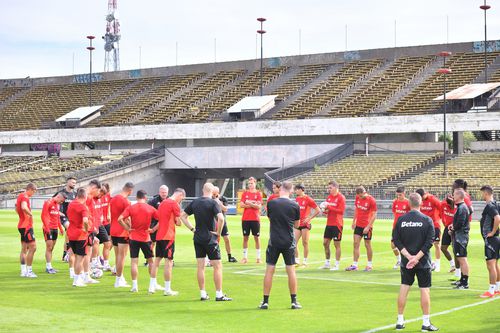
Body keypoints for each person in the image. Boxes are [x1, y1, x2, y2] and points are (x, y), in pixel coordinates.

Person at [392, 192, 438, 332]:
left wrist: (408, 256)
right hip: (423, 261)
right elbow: (430, 241)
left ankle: (400, 321)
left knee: (404, 287)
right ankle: (425, 323)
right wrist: (416, 258)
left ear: (408, 204)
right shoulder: (427, 220)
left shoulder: (401, 220)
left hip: (406, 261)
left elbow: (396, 240)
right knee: (424, 290)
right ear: (421, 203)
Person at [180, 182, 232, 301]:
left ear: (203, 190)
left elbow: (183, 216)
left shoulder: (195, 202)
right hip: (210, 238)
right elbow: (221, 218)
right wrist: (218, 232)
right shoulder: (213, 202)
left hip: (198, 237)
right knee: (217, 266)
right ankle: (219, 294)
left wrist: (192, 229)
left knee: (200, 266)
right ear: (212, 191)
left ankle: (203, 293)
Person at [260, 181, 301, 310]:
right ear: (291, 190)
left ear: (281, 189)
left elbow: (270, 218)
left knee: (269, 270)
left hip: (274, 240)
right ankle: (294, 301)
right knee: (291, 271)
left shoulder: (271, 203)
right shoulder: (295, 205)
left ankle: (265, 301)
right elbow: (297, 225)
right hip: (288, 241)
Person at [118, 190, 160, 293]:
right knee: (151, 261)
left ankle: (134, 286)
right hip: (146, 238)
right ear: (145, 198)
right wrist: (153, 229)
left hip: (133, 237)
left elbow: (120, 219)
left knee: (134, 262)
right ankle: (152, 285)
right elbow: (162, 219)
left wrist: (127, 229)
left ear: (136, 197)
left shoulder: (131, 207)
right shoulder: (150, 208)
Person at [153, 188, 185, 296]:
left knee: (157, 260)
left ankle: (151, 286)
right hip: (168, 236)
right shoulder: (174, 204)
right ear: (180, 195)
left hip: (159, 235)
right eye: (182, 198)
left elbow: (160, 219)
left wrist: (153, 230)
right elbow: (179, 222)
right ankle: (167, 289)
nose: (181, 200)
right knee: (169, 262)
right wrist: (178, 220)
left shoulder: (162, 203)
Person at [346, 186, 377, 271]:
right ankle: (355, 265)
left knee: (367, 245)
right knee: (355, 243)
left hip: (367, 226)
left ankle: (369, 265)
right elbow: (357, 209)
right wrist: (353, 221)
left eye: (361, 195)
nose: (359, 197)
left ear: (364, 193)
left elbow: (374, 215)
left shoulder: (371, 200)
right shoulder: (358, 198)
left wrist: (368, 226)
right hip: (358, 225)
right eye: (358, 196)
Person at [110, 182, 134, 288]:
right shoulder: (126, 202)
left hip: (113, 230)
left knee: (117, 256)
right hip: (122, 231)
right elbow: (127, 218)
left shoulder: (114, 199)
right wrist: (130, 228)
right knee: (122, 256)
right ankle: (118, 280)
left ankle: (121, 277)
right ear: (130, 191)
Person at [449, 179, 474, 280]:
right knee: (460, 258)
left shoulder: (462, 207)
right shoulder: (460, 207)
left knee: (462, 259)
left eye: (454, 194)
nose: (453, 196)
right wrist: (453, 226)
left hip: (461, 236)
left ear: (459, 196)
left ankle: (465, 281)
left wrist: (453, 228)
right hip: (459, 236)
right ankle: (462, 280)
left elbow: (460, 223)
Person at [478, 185, 500, 298]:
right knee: (495, 264)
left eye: (482, 193)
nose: (482, 196)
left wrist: (492, 232)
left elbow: (497, 218)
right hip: (495, 239)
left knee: (490, 265)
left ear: (486, 193)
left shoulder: (490, 206)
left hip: (491, 240)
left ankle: (491, 291)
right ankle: (497, 288)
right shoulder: (496, 204)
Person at [319, 181, 345, 271]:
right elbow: (328, 210)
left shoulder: (341, 197)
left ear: (335, 188)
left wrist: (329, 207)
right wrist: (324, 211)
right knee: (325, 243)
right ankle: (327, 263)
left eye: (330, 188)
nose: (328, 189)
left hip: (337, 224)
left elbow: (341, 211)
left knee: (336, 244)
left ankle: (337, 265)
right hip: (329, 223)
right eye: (328, 188)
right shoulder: (329, 197)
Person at [66, 187, 90, 287]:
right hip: (80, 235)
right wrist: (86, 229)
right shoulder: (83, 207)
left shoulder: (71, 204)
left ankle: (77, 278)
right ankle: (76, 280)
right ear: (85, 196)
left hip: (71, 233)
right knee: (80, 258)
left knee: (76, 257)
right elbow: (85, 220)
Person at [416, 188, 442, 272]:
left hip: (435, 225)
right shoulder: (419, 201)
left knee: (436, 244)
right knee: (423, 245)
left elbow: (441, 208)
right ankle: (428, 263)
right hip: (423, 225)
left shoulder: (433, 199)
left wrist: (438, 218)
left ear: (424, 194)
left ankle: (437, 264)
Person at [294, 183, 320, 267]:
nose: (296, 191)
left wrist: (310, 218)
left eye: (297, 189)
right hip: (298, 223)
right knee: (294, 242)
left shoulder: (308, 199)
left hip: (305, 224)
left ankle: (305, 261)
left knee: (305, 243)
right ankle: (296, 260)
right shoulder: (297, 198)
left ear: (302, 189)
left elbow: (317, 210)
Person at [41, 192, 66, 274]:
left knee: (51, 248)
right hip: (48, 228)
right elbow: (43, 215)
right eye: (61, 201)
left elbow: (57, 217)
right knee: (49, 247)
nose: (61, 203)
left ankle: (50, 266)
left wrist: (60, 228)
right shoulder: (48, 202)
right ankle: (48, 267)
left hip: (55, 228)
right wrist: (47, 227)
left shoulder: (57, 205)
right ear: (58, 197)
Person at [16, 183, 38, 278]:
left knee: (24, 249)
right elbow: (23, 207)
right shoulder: (25, 197)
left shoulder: (20, 195)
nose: (33, 193)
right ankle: (29, 271)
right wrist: (30, 214)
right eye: (34, 191)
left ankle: (23, 271)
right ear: (30, 189)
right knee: (33, 248)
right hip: (26, 226)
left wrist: (22, 216)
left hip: (21, 225)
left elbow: (16, 208)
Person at [240, 177, 263, 264]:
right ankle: (245, 258)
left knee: (256, 238)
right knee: (245, 238)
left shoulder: (259, 194)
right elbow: (241, 205)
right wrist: (253, 204)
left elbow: (259, 206)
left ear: (255, 183)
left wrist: (249, 203)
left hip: (255, 219)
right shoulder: (244, 193)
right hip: (245, 219)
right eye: (249, 183)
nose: (250, 185)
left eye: (252, 183)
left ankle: (258, 258)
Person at [213, 186, 237, 263]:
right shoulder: (210, 199)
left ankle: (230, 256)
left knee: (226, 239)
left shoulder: (223, 199)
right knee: (214, 240)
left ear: (217, 192)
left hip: (222, 222)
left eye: (214, 193)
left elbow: (225, 209)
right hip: (213, 222)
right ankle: (211, 257)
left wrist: (218, 202)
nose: (213, 195)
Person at [147, 185, 169, 264]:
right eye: (162, 192)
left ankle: (170, 259)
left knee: (167, 241)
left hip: (166, 225)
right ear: (159, 192)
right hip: (154, 223)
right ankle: (149, 259)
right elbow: (148, 212)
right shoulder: (153, 201)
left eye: (165, 192)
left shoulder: (170, 200)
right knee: (152, 242)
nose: (164, 194)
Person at [391, 187, 410, 269]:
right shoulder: (395, 202)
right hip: (396, 227)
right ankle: (399, 260)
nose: (399, 196)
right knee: (393, 245)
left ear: (404, 193)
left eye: (400, 195)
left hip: (405, 227)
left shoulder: (408, 202)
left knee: (406, 245)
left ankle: (407, 261)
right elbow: (394, 212)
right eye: (397, 195)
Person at [94, 186, 112, 271]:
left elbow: (101, 209)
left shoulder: (100, 199)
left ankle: (105, 263)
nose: (101, 196)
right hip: (93, 224)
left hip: (100, 223)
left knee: (107, 243)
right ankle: (95, 261)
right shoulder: (90, 199)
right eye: (101, 194)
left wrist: (102, 216)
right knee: (95, 243)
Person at [60, 177, 77, 263]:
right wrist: (58, 212)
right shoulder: (61, 192)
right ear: (68, 182)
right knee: (69, 229)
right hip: (63, 216)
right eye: (72, 182)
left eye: (75, 183)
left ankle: (65, 253)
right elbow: (53, 201)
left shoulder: (75, 194)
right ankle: (68, 252)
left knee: (69, 233)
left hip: (72, 217)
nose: (74, 184)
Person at [440, 194, 457, 273]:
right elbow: (441, 213)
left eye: (452, 203)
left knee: (456, 250)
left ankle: (458, 270)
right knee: (443, 248)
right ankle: (452, 264)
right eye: (449, 204)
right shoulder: (443, 204)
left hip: (456, 229)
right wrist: (444, 223)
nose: (451, 205)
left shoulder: (458, 207)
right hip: (447, 228)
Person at [99, 183, 112, 271]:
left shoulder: (108, 195)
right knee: (96, 242)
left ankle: (103, 259)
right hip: (99, 223)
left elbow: (108, 205)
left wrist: (108, 214)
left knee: (111, 240)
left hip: (106, 222)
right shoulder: (98, 197)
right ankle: (96, 260)